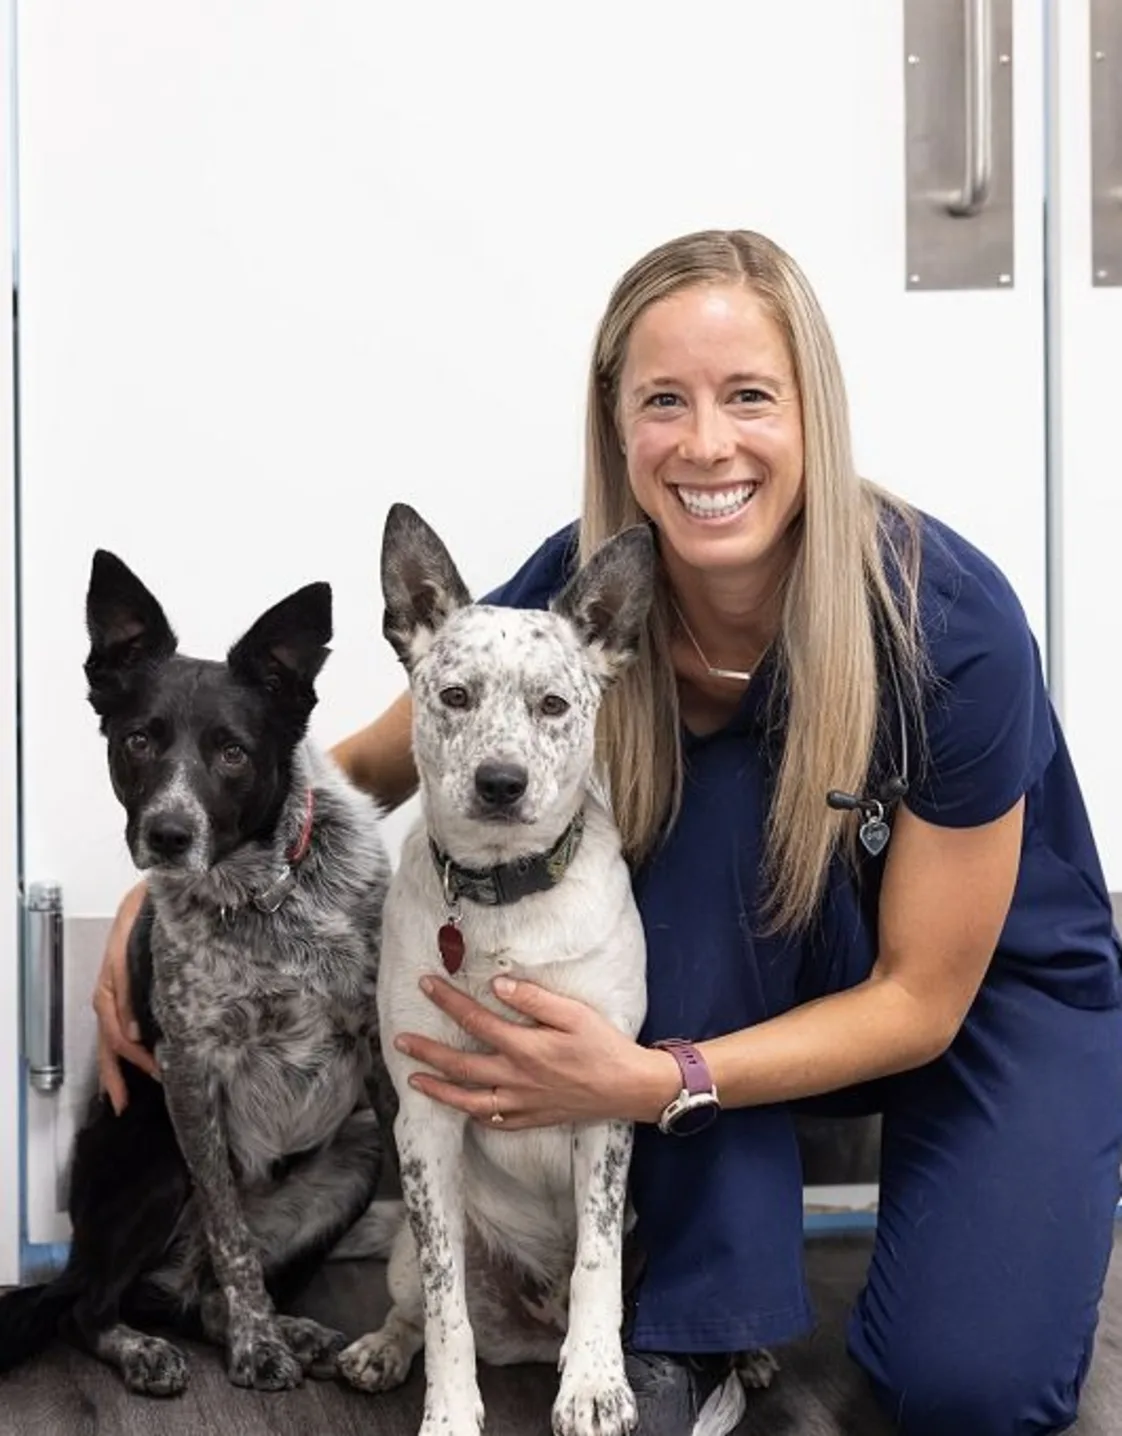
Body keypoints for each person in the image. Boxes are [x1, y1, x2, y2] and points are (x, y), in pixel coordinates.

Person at [93, 230, 1122, 1436]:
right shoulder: (590, 579)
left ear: (814, 412)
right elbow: (376, 752)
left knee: (978, 1392)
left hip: (975, 987)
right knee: (700, 826)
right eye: (664, 401)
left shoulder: (951, 620)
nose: (706, 443)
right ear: (616, 423)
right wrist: (186, 865)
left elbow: (923, 998)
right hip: (753, 955)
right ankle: (694, 1328)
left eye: (749, 396)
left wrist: (652, 1080)